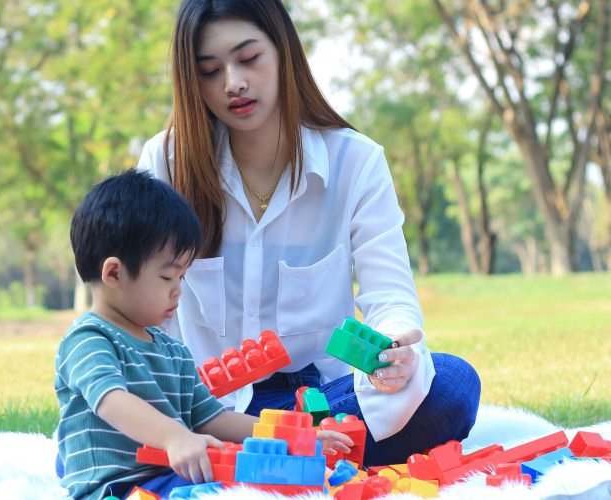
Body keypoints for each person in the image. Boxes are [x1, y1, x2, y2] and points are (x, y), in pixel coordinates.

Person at [136, 0, 480, 467]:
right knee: (112, 430)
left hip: (326, 403)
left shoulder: (355, 162)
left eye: (249, 58)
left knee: (454, 385)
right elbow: (144, 314)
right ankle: (274, 457)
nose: (233, 82)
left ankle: (265, 459)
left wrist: (395, 351)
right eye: (210, 70)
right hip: (210, 411)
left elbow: (390, 297)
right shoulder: (166, 163)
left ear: (283, 52)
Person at [55, 169, 354, 499]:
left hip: (174, 476)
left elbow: (212, 418)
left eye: (182, 278)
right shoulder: (90, 340)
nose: (177, 291)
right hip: (119, 487)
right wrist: (174, 437)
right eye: (168, 277)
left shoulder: (172, 351)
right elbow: (111, 400)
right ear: (114, 273)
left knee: (268, 483)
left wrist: (290, 438)